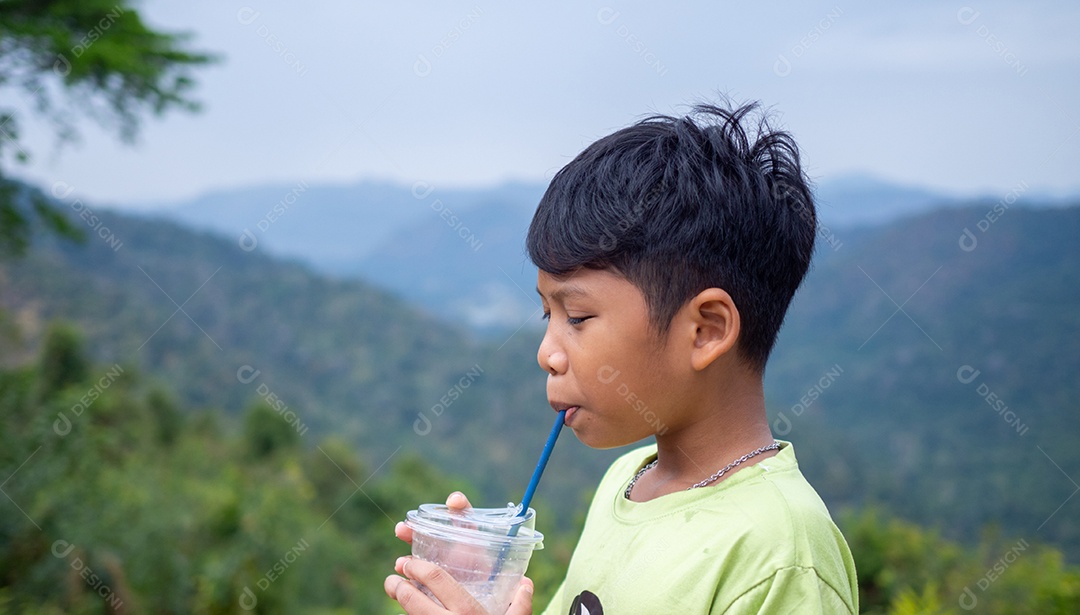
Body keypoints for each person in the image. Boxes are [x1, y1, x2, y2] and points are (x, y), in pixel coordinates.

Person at [385, 99, 859, 614]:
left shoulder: (780, 558)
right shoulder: (627, 481)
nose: (547, 353)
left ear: (705, 330)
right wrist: (484, 588)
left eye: (578, 317)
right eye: (548, 315)